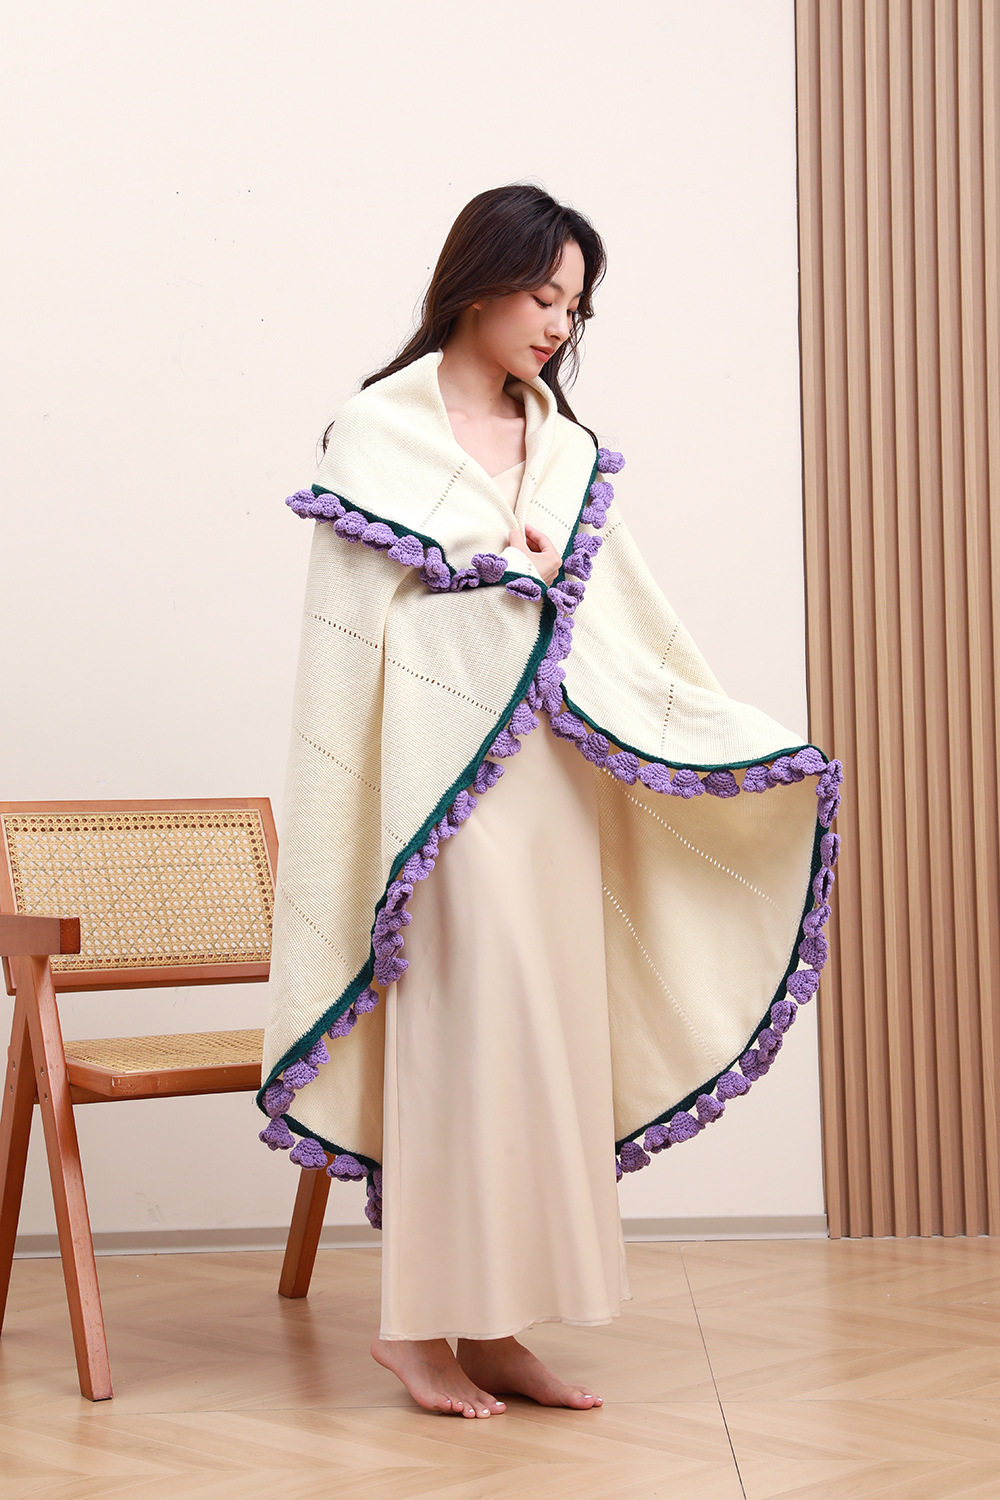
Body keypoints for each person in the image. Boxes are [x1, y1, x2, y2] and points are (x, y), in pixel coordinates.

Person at [258, 183, 842, 1421]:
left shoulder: (566, 451)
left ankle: (496, 1328)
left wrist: (726, 735)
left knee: (540, 1046)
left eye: (574, 307)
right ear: (478, 282)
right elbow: (355, 643)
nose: (557, 325)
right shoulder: (376, 433)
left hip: (552, 784)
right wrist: (493, 588)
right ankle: (412, 1330)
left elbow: (623, 624)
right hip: (439, 798)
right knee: (457, 1041)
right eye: (541, 295)